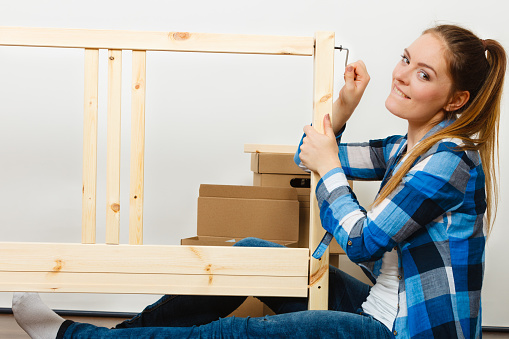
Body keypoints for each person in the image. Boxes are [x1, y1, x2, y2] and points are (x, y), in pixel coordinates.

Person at [12, 24, 506, 339]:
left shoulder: (450, 161)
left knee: (239, 334)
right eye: (405, 59)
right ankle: (125, 335)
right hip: (381, 307)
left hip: (401, 330)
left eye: (423, 75)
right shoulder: (407, 148)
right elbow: (308, 151)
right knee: (252, 252)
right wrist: (343, 109)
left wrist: (330, 167)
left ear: (455, 99)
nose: (402, 75)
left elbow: (363, 241)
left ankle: (74, 338)